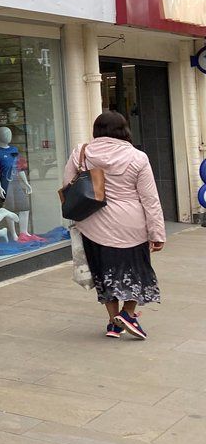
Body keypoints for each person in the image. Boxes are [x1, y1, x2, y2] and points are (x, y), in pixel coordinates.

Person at [64, 111, 165, 339]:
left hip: (93, 223)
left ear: (96, 130)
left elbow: (67, 185)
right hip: (131, 225)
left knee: (104, 273)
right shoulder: (138, 157)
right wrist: (157, 232)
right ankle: (128, 315)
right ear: (124, 130)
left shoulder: (81, 153)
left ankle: (113, 323)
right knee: (137, 273)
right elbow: (150, 199)